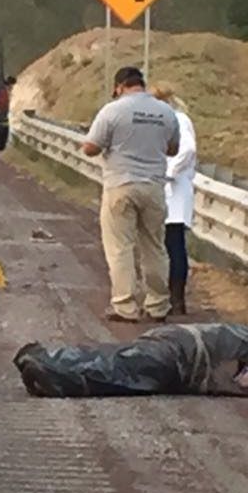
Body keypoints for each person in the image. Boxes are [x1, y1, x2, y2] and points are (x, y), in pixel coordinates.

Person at [81, 67, 181, 323]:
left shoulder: (113, 110)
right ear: (142, 84)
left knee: (120, 248)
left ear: (119, 87)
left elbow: (90, 148)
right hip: (154, 187)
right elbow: (173, 149)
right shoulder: (165, 112)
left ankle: (125, 306)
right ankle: (158, 305)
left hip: (120, 185)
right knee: (155, 247)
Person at [153, 83, 198, 316]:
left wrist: (169, 172)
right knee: (168, 244)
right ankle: (171, 298)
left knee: (174, 244)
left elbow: (188, 149)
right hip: (170, 189)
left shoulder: (177, 119)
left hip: (175, 189)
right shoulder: (171, 119)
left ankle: (176, 298)